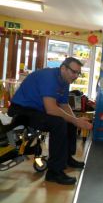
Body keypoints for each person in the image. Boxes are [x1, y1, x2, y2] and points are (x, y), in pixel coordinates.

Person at [8, 57, 92, 185]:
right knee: (59, 123)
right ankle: (54, 172)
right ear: (63, 68)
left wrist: (75, 120)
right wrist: (76, 121)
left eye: (78, 73)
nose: (76, 76)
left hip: (37, 110)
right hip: (21, 111)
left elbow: (64, 105)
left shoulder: (64, 81)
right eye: (73, 72)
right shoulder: (49, 77)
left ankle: (66, 159)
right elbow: (52, 109)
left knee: (69, 120)